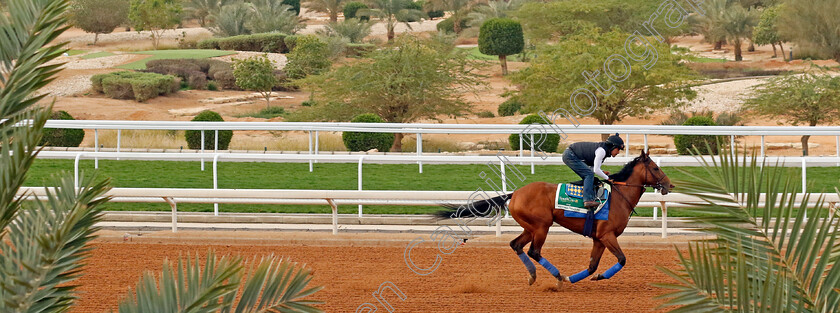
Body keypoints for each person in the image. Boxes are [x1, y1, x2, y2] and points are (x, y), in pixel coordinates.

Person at [562, 133, 625, 209]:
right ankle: (588, 200)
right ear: (612, 147)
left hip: (570, 154)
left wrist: (602, 172)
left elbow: (593, 168)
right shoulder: (602, 151)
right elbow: (596, 170)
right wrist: (608, 178)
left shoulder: (603, 150)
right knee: (589, 175)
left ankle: (585, 195)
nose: (618, 152)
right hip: (570, 155)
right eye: (618, 149)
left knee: (589, 174)